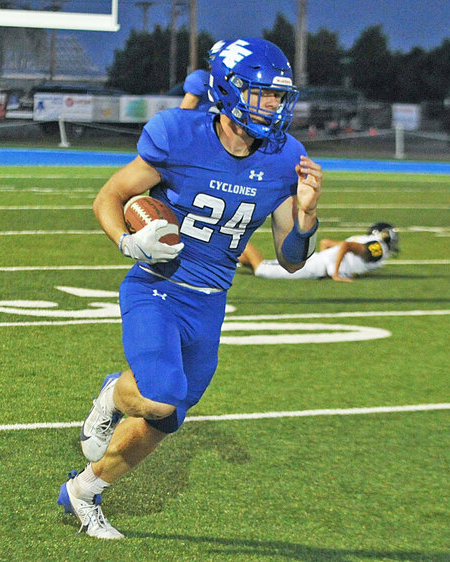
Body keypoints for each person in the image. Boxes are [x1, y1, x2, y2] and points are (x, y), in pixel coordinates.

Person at [56, 37, 322, 539]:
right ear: (227, 90)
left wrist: (306, 214)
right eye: (261, 93)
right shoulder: (179, 134)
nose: (272, 105)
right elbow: (110, 196)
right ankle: (114, 394)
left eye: (278, 96)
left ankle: (83, 492)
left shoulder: (287, 157)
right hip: (157, 284)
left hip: (210, 300)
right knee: (160, 394)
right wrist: (128, 243)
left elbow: (290, 260)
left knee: (169, 416)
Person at [238, 222, 399, 281]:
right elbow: (346, 246)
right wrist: (335, 273)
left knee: (261, 265)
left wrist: (328, 260)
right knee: (261, 270)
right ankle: (238, 239)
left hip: (316, 262)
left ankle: (230, 255)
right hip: (316, 266)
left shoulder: (364, 240)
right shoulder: (377, 247)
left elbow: (327, 243)